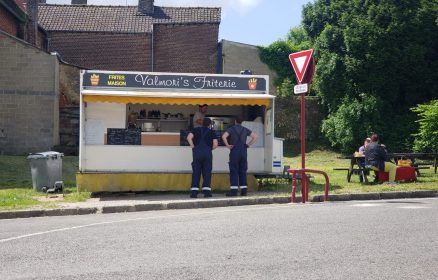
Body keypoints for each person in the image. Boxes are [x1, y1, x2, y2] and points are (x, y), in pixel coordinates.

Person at [222, 116, 257, 196]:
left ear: (235, 121)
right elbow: (255, 136)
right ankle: (244, 191)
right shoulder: (245, 129)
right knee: (243, 170)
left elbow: (224, 136)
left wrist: (227, 145)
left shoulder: (231, 129)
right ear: (242, 122)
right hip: (243, 151)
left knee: (234, 170)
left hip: (234, 151)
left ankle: (233, 191)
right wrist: (248, 145)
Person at [187, 117, 218, 198]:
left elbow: (189, 138)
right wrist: (210, 149)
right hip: (207, 154)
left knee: (196, 172)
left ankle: (194, 193)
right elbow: (215, 144)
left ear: (202, 123)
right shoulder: (212, 132)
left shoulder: (196, 130)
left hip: (197, 153)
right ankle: (207, 192)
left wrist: (193, 147)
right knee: (207, 172)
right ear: (209, 124)